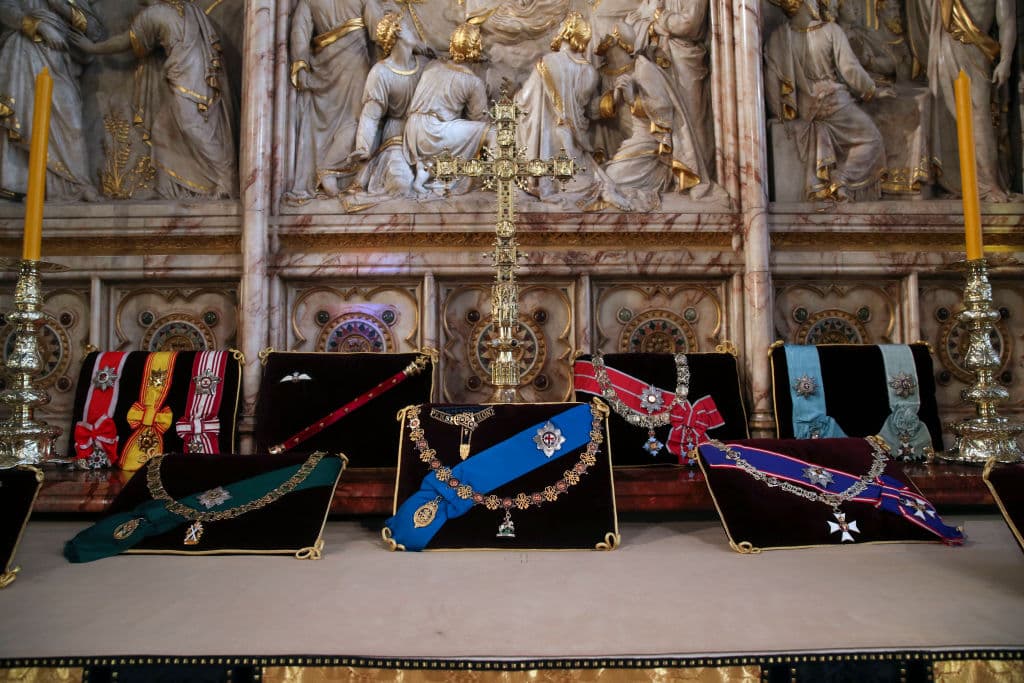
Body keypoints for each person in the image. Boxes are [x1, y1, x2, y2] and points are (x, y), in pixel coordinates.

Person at [74, 0, 236, 200]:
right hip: (198, 75)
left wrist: (91, 48)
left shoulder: (155, 13)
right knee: (161, 130)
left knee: (191, 126)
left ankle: (226, 177)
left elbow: (125, 42)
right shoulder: (185, 9)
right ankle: (169, 188)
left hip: (187, 78)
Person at [764, 0, 889, 201]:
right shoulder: (830, 30)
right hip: (833, 104)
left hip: (803, 109)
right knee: (872, 139)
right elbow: (850, 70)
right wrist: (872, 91)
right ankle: (842, 178)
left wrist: (780, 116)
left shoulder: (777, 38)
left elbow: (772, 84)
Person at [909, 0, 1016, 201]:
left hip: (976, 51)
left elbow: (1007, 21)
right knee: (946, 116)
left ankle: (988, 183)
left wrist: (1006, 61)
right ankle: (958, 183)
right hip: (944, 49)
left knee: (979, 117)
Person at [0, 0, 104, 201]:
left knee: (70, 119)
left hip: (60, 57)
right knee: (27, 117)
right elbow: (4, 9)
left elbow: (94, 31)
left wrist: (60, 5)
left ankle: (76, 183)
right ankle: (19, 185)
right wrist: (37, 25)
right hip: (25, 51)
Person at [287, 0, 384, 200]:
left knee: (331, 122)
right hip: (355, 64)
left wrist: (300, 64)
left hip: (323, 66)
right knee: (357, 121)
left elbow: (300, 32)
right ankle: (329, 170)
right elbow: (380, 31)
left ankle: (333, 173)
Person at [344, 12, 425, 204]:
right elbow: (371, 116)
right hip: (396, 137)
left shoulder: (424, 65)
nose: (413, 31)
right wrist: (363, 146)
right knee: (400, 184)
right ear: (397, 33)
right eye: (407, 27)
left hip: (426, 136)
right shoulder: (381, 73)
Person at [403, 22, 491, 196]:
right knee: (492, 133)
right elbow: (479, 119)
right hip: (434, 132)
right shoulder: (473, 82)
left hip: (412, 131)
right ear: (477, 48)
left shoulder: (433, 65)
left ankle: (427, 172)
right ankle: (494, 179)